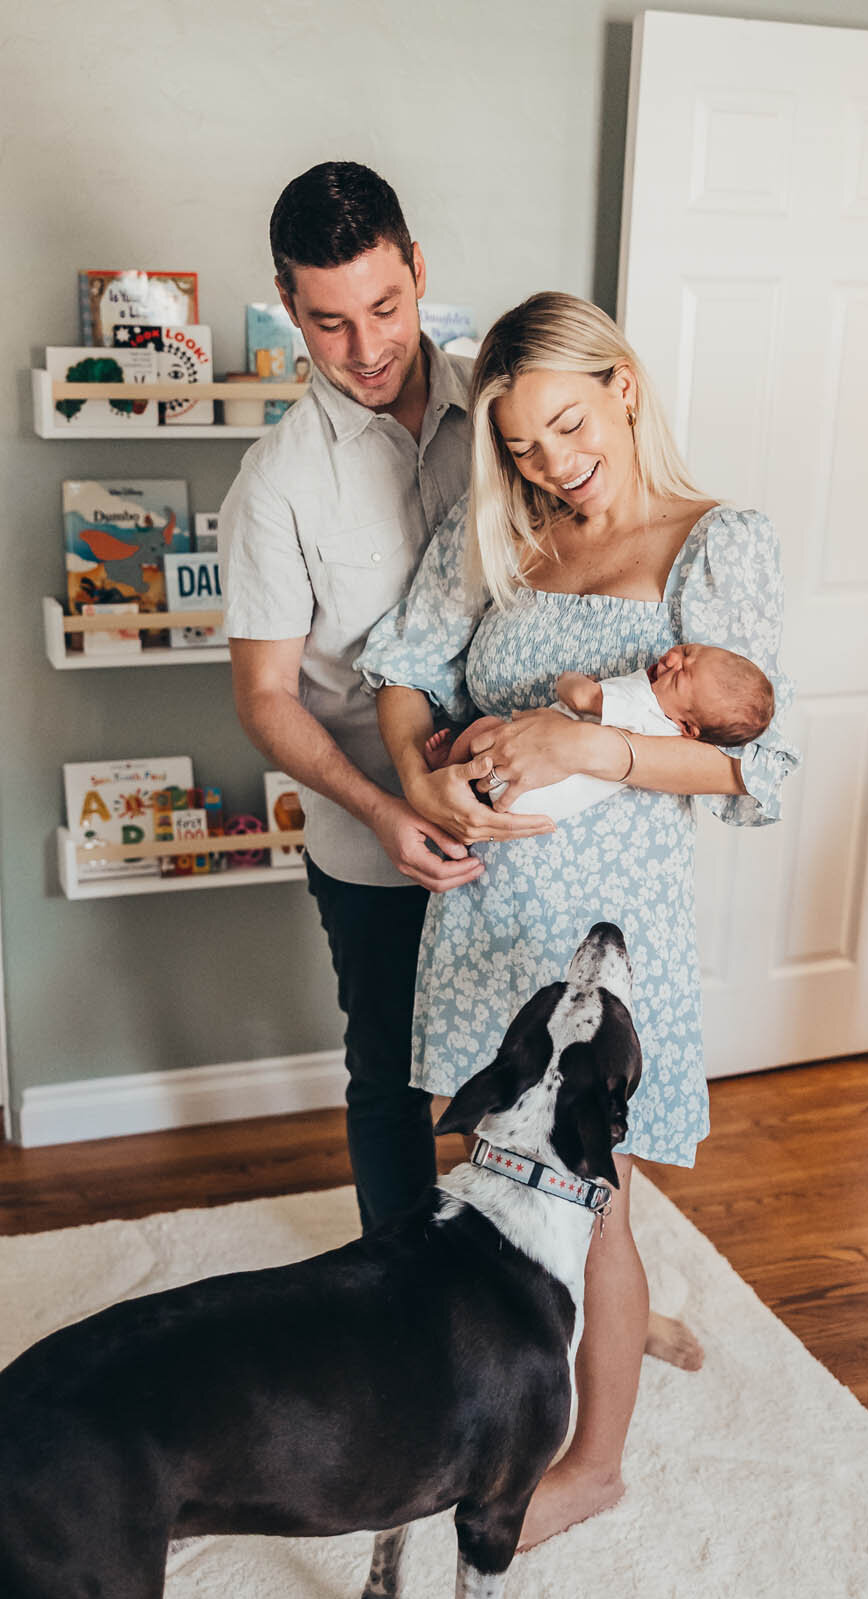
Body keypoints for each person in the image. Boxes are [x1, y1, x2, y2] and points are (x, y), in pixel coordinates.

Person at [357, 291, 800, 1548]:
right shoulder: (507, 538)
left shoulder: (718, 542)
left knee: (586, 1197)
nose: (552, 461)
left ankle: (595, 1464)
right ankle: (493, 1407)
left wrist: (586, 743)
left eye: (567, 422)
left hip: (603, 930)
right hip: (482, 913)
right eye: (521, 443)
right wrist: (418, 773)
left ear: (624, 386)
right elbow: (405, 670)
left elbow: (753, 767)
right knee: (497, 1188)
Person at [219, 162, 552, 1231]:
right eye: (328, 323)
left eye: (385, 307)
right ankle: (407, 1305)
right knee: (394, 1079)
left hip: (529, 825)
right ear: (289, 309)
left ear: (418, 270)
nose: (366, 350)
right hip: (373, 842)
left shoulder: (510, 421)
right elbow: (267, 695)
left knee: (531, 1065)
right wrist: (382, 810)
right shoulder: (274, 485)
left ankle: (530, 1281)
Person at [424, 641, 775, 821]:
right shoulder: (668, 735)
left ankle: (446, 768)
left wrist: (571, 680)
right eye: (688, 651)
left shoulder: (641, 700)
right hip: (543, 802)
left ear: (688, 726)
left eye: (681, 675)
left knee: (484, 729)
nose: (671, 660)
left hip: (526, 778)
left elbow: (579, 696)